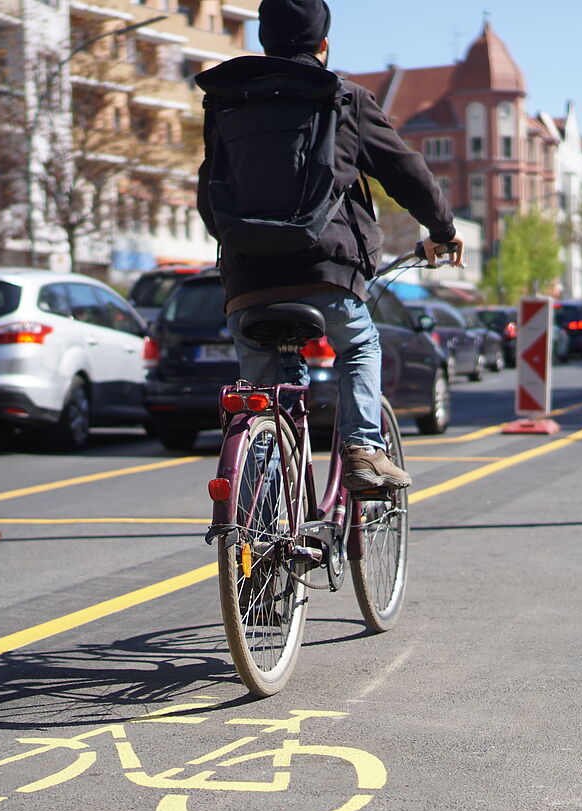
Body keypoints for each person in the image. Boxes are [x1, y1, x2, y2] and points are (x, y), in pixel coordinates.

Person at [195, 0, 463, 493]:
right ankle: (363, 448)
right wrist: (443, 231)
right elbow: (408, 175)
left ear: (264, 43)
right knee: (359, 346)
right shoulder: (344, 98)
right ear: (323, 45)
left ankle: (256, 528)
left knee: (264, 396)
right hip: (328, 274)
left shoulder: (227, 103)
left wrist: (239, 251)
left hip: (248, 281)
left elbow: (209, 190)